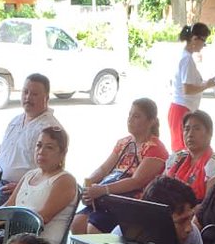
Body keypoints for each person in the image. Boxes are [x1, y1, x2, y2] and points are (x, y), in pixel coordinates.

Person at [72, 98, 169, 234]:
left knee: (94, 228)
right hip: (108, 197)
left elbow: (136, 182)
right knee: (77, 223)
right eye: (130, 115)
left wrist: (103, 190)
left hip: (128, 203)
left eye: (136, 116)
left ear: (151, 121)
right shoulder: (124, 142)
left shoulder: (156, 148)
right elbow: (104, 169)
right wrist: (89, 185)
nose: (130, 119)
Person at [0, 74, 59, 200]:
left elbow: (52, 171)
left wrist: (24, 187)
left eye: (34, 94)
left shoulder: (50, 129)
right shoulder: (16, 120)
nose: (28, 97)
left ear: (46, 98)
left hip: (19, 191)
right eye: (25, 92)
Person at [169, 23, 215, 153]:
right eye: (204, 41)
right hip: (182, 109)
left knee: (182, 149)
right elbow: (188, 89)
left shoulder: (185, 57)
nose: (203, 45)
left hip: (182, 108)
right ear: (195, 39)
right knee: (182, 151)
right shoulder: (187, 60)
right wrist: (206, 85)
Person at [164, 110, 215, 201]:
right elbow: (161, 187)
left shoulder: (214, 163)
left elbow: (208, 204)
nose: (190, 134)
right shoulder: (176, 157)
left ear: (209, 133)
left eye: (197, 129)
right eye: (187, 129)